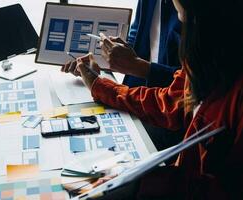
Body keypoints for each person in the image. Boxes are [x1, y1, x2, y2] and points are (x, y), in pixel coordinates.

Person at [64, 0, 243, 198]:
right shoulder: (208, 53)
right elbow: (170, 102)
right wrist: (98, 84)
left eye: (183, 17)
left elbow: (234, 190)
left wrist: (147, 183)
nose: (182, 27)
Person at [62, 0, 183, 154]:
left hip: (167, 118)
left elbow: (187, 87)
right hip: (137, 99)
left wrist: (134, 67)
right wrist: (110, 58)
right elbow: (138, 33)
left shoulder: (196, 14)